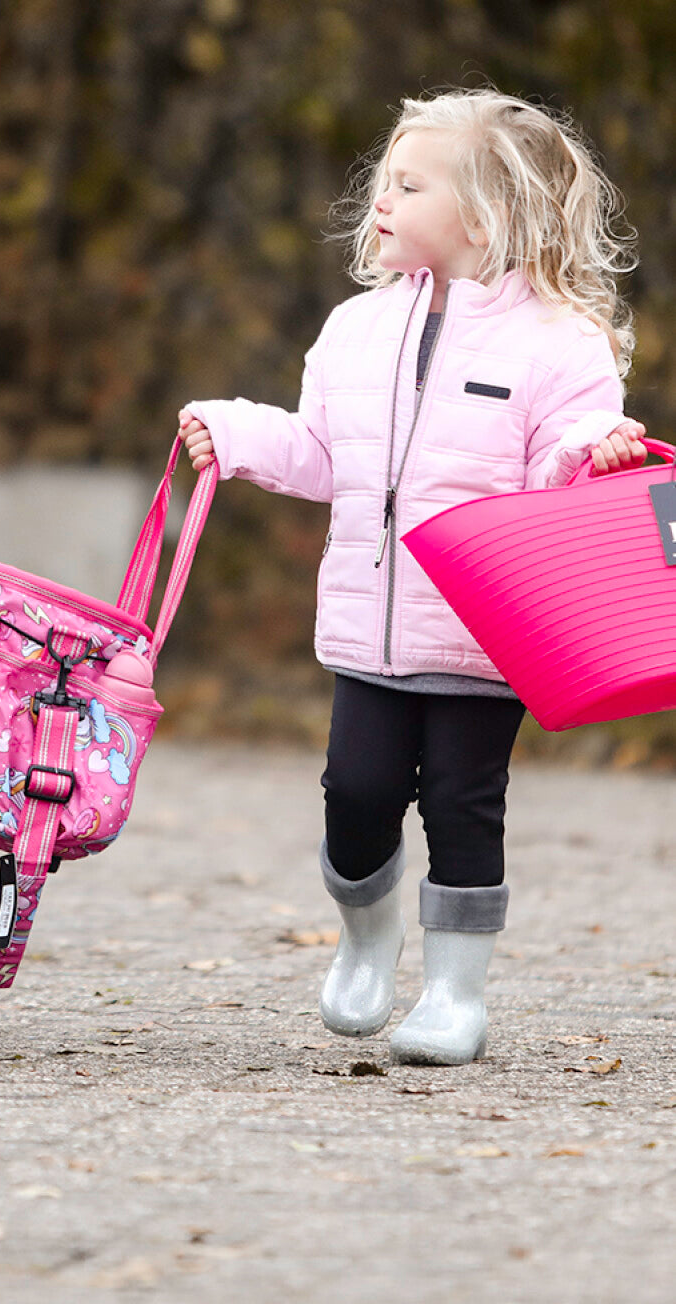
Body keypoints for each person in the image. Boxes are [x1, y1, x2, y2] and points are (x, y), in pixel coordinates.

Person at [178, 89, 644, 1066]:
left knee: (462, 806)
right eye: (381, 180)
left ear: (480, 217)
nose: (377, 198)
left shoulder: (557, 342)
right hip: (370, 632)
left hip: (482, 636)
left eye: (405, 182)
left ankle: (453, 993)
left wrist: (589, 451)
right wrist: (234, 430)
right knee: (354, 793)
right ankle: (365, 938)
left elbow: (552, 473)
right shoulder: (353, 329)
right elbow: (319, 452)